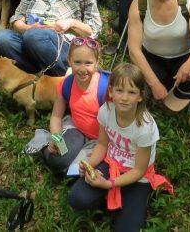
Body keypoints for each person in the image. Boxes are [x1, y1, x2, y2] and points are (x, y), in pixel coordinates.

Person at [68, 62, 172, 232]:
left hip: (137, 176)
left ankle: (118, 196)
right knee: (76, 198)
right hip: (111, 163)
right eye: (119, 90)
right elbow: (102, 144)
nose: (124, 98)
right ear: (110, 92)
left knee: (128, 228)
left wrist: (109, 184)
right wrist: (90, 164)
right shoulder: (106, 111)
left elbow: (139, 170)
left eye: (132, 92)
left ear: (140, 96)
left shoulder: (145, 127)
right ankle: (111, 195)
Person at [42, 37, 111, 177]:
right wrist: (56, 137)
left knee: (81, 171)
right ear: (69, 60)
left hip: (103, 139)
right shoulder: (67, 84)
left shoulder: (106, 88)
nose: (82, 69)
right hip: (78, 129)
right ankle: (49, 149)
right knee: (58, 160)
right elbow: (56, 116)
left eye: (88, 63)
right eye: (77, 62)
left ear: (97, 63)